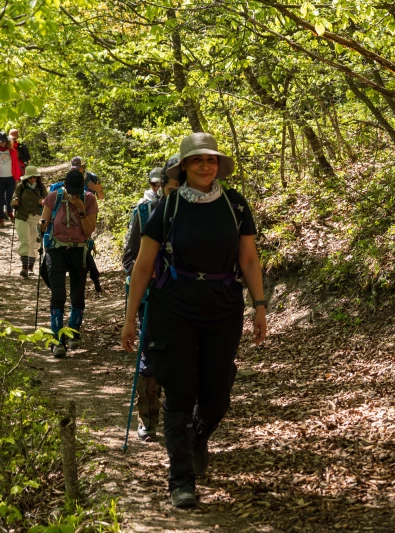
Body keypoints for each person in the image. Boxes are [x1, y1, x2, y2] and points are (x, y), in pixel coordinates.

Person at [121, 132, 267, 509]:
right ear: (183, 167)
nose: (206, 166)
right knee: (180, 395)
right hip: (174, 309)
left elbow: (249, 260)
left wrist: (260, 305)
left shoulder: (234, 205)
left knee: (217, 395)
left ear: (218, 166)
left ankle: (198, 437)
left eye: (212, 160)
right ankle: (180, 480)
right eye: (198, 160)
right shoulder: (167, 209)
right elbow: (143, 265)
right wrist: (129, 319)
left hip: (223, 308)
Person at [122, 160, 180, 441]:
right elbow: (130, 257)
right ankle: (148, 419)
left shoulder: (197, 212)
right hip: (152, 299)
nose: (170, 190)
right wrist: (147, 275)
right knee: (150, 360)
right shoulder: (145, 213)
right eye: (168, 186)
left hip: (187, 301)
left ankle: (180, 420)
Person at [41, 170, 98, 358]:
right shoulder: (53, 197)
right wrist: (41, 226)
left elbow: (89, 230)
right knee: (58, 295)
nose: (73, 194)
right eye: (70, 191)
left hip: (79, 250)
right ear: (65, 187)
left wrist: (81, 209)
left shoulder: (89, 199)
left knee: (78, 295)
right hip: (56, 249)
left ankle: (73, 331)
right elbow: (45, 221)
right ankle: (57, 339)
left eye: (76, 191)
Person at [12, 165, 47, 277]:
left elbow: (48, 202)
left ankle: (30, 268)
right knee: (25, 241)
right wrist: (14, 202)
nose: (32, 179)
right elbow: (13, 200)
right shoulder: (20, 187)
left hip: (36, 217)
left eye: (34, 177)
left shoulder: (41, 188)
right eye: (31, 177)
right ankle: (25, 267)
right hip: (22, 217)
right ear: (27, 178)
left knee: (34, 243)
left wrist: (43, 201)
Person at [0, 131, 22, 226]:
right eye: (0, 142)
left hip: (10, 178)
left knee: (9, 197)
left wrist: (17, 177)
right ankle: (0, 217)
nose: (2, 143)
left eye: (3, 141)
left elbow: (16, 165)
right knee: (0, 198)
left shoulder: (13, 152)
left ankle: (9, 212)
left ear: (7, 142)